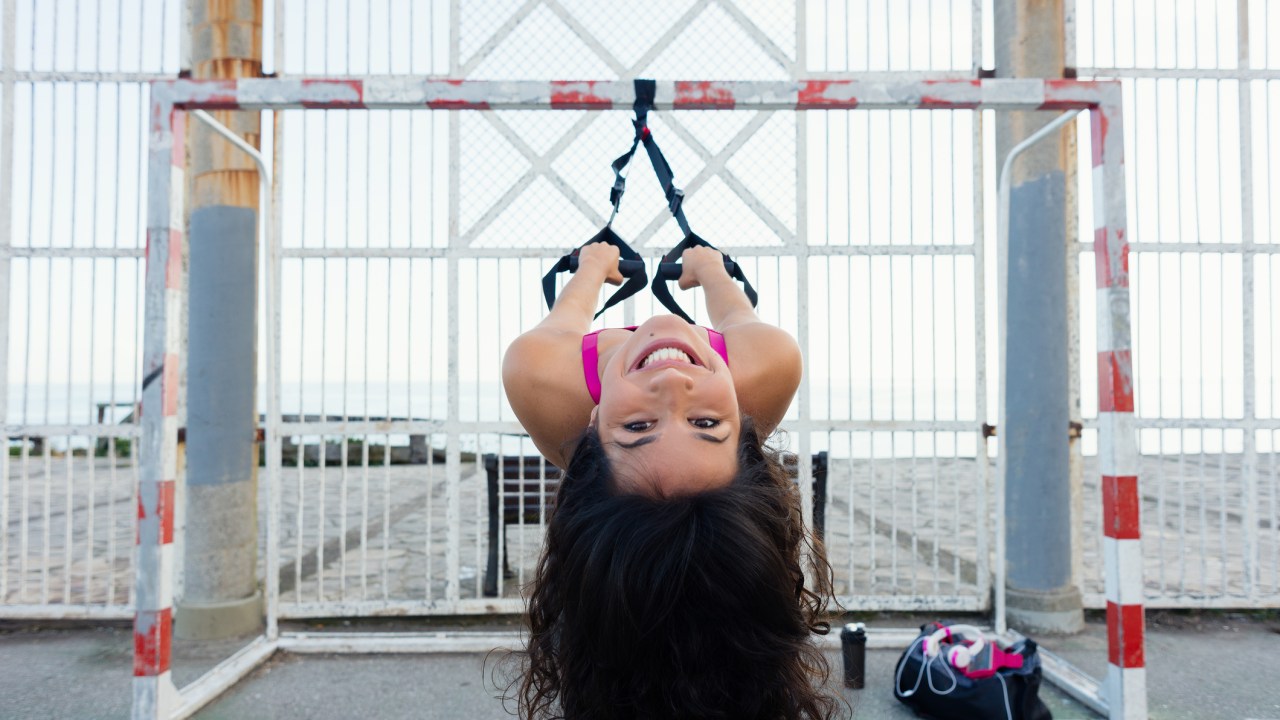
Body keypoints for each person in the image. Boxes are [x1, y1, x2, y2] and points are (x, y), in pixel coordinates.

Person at [502, 241, 840, 719]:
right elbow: (736, 313)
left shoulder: (543, 380)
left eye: (638, 427)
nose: (672, 384)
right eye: (705, 424)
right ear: (745, 426)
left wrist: (594, 266)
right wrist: (707, 268)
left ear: (591, 426)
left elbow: (564, 320)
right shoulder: (767, 365)